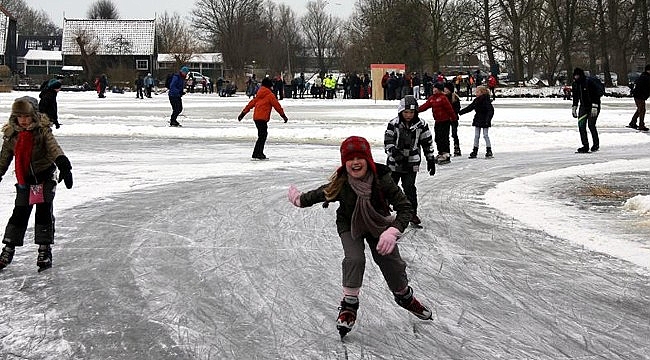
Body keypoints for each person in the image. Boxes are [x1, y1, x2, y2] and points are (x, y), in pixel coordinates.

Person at [286, 136, 433, 338]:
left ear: (368, 160)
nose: (355, 162)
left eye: (360, 158)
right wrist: (300, 200)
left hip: (378, 224)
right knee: (354, 259)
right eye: (350, 159)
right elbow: (323, 193)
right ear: (344, 162)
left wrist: (393, 231)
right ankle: (349, 305)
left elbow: (405, 208)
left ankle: (404, 296)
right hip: (350, 225)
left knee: (391, 262)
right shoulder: (343, 182)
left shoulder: (382, 179)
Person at [0, 97, 73, 271]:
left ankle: (44, 249)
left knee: (43, 213)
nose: (23, 121)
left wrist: (63, 164)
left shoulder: (42, 131)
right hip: (25, 181)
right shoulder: (12, 134)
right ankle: (8, 249)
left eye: (26, 116)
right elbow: (4, 158)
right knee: (19, 213)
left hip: (44, 178)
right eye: (19, 117)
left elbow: (53, 147)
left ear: (33, 116)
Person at [385, 95, 436, 228]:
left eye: (411, 112)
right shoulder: (393, 124)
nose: (408, 115)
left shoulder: (421, 125)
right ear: (401, 112)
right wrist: (394, 153)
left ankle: (411, 213)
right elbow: (388, 141)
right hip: (394, 163)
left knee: (409, 188)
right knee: (389, 188)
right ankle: (383, 211)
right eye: (406, 112)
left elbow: (427, 142)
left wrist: (430, 158)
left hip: (411, 163)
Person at [238, 77, 288, 160]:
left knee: (261, 136)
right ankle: (258, 153)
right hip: (262, 118)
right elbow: (277, 106)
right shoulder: (269, 95)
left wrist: (243, 114)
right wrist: (283, 116)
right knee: (262, 136)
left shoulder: (259, 94)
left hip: (257, 118)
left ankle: (257, 153)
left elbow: (250, 104)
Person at [418, 83, 457, 164]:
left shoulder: (443, 98)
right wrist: (416, 110)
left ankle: (446, 153)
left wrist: (454, 118)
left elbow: (449, 109)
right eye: (433, 89)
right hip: (438, 121)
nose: (434, 90)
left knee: (444, 138)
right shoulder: (432, 98)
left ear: (439, 90)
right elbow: (425, 106)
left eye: (435, 89)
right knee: (437, 138)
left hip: (445, 121)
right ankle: (440, 152)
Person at [458, 86, 494, 158]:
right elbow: (470, 107)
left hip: (485, 120)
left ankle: (489, 150)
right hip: (478, 119)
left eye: (477, 92)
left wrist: (488, 120)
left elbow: (490, 111)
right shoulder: (476, 100)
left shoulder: (486, 100)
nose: (476, 93)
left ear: (482, 92)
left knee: (485, 135)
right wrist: (460, 112)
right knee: (476, 136)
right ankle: (475, 150)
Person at [571, 67, 601, 153]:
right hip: (583, 107)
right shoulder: (575, 84)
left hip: (593, 106)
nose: (576, 77)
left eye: (577, 76)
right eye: (575, 76)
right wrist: (574, 107)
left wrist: (595, 107)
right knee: (581, 125)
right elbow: (575, 97)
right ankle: (585, 145)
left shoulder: (589, 82)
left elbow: (596, 95)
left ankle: (596, 144)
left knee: (591, 125)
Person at [628, 64, 650, 131]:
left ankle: (633, 122)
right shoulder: (646, 77)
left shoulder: (644, 76)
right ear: (648, 70)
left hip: (639, 95)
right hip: (639, 96)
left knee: (640, 109)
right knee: (642, 110)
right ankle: (641, 125)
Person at [443, 82, 462, 156]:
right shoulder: (443, 97)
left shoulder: (455, 97)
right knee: (445, 135)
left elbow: (457, 108)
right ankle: (446, 150)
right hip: (446, 119)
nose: (445, 90)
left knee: (454, 134)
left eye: (446, 88)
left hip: (454, 119)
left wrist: (453, 115)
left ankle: (457, 147)